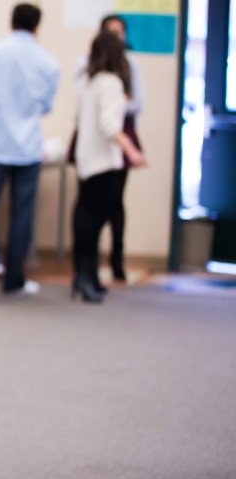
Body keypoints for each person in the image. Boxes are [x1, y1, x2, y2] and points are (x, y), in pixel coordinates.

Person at [0, 3, 60, 300]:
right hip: (29, 146)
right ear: (37, 26)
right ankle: (15, 281)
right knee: (22, 215)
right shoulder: (48, 62)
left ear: (11, 22)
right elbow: (45, 107)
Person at [71, 32, 146, 302]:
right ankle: (86, 275)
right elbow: (110, 126)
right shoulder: (112, 83)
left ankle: (83, 274)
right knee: (97, 218)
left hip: (85, 159)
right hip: (103, 161)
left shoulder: (88, 82)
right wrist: (132, 151)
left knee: (86, 216)